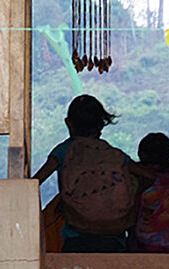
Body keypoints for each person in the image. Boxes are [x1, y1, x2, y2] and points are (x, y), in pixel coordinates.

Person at [33, 95, 151, 252]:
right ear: (101, 126)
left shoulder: (63, 151)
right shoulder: (114, 155)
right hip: (114, 238)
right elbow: (149, 177)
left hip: (76, 237)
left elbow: (34, 182)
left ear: (68, 124)